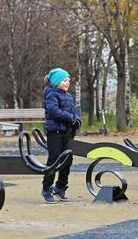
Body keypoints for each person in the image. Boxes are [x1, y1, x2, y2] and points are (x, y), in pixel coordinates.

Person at [41, 68, 81, 204]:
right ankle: (46, 188)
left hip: (67, 133)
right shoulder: (51, 94)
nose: (67, 83)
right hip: (55, 133)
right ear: (56, 81)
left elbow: (74, 112)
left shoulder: (68, 96)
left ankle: (60, 187)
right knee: (53, 161)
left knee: (67, 160)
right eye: (64, 80)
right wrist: (70, 118)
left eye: (68, 81)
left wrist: (76, 119)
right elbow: (53, 111)